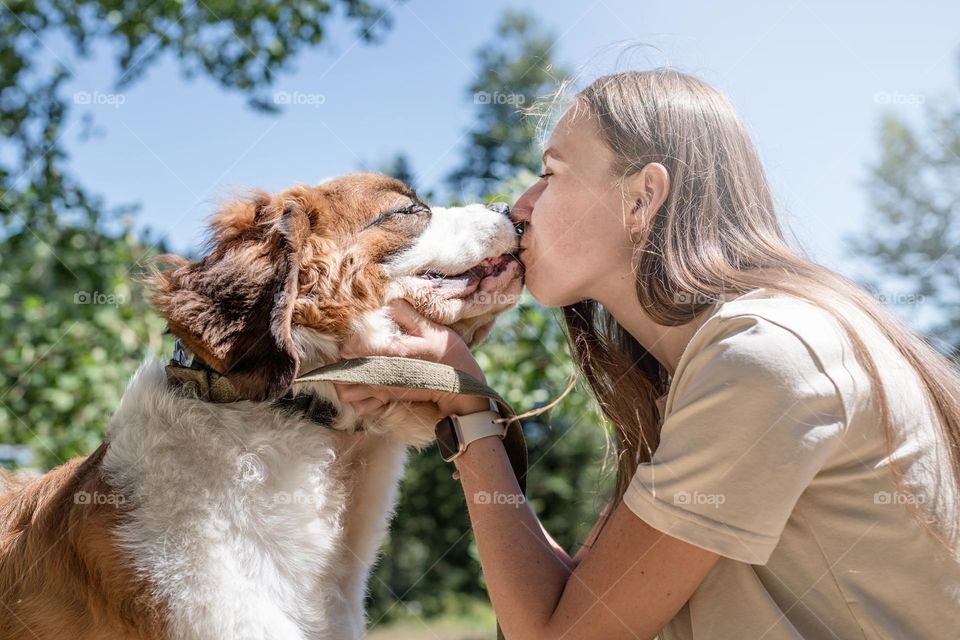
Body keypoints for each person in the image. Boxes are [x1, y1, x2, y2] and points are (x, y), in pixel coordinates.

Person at [333, 69, 960, 639]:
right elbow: (566, 603)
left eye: (550, 174)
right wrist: (459, 403)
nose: (519, 205)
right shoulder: (708, 370)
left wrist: (467, 405)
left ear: (642, 197)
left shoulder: (763, 357)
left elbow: (558, 636)